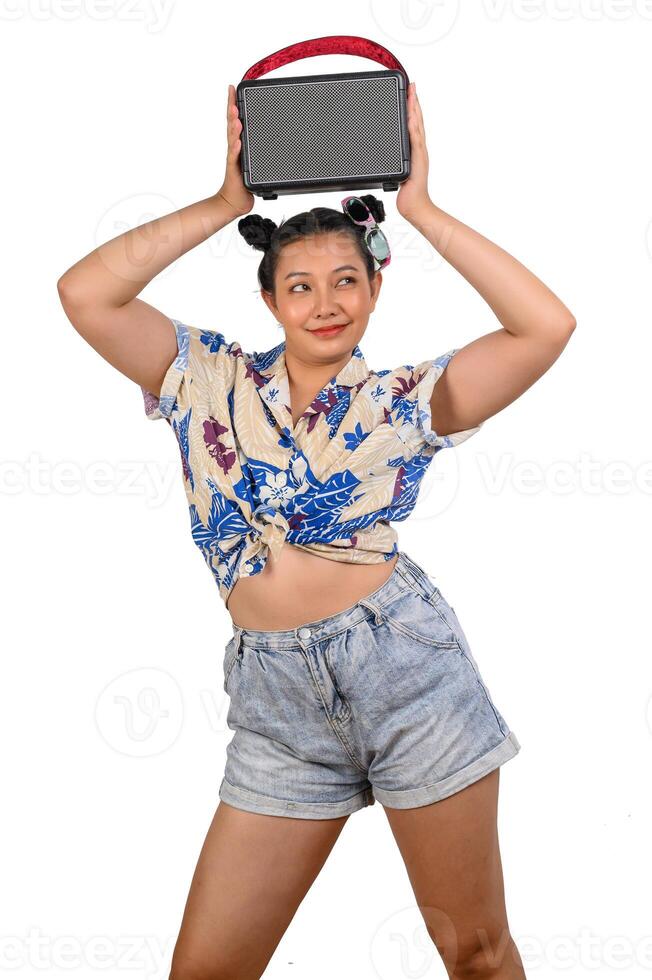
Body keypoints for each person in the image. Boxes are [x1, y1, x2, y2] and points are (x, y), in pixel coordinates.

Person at [57, 80, 575, 980]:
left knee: (477, 952)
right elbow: (86, 293)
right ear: (271, 300)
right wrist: (226, 203)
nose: (325, 301)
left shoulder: (405, 400)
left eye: (346, 280)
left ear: (376, 286)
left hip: (409, 676)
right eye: (300, 285)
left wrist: (422, 207)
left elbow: (546, 326)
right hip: (277, 707)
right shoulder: (203, 377)